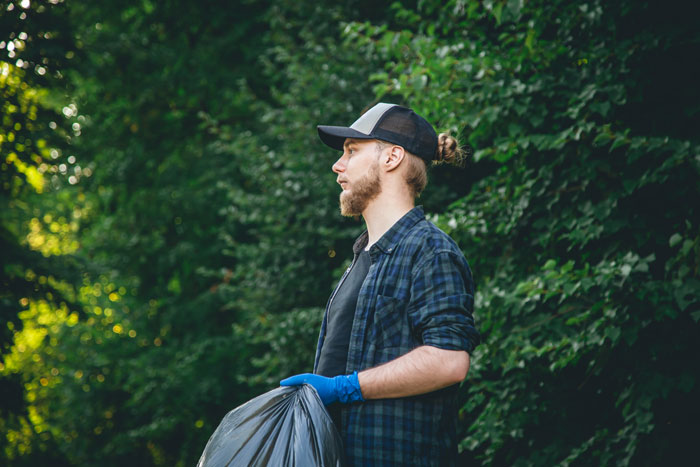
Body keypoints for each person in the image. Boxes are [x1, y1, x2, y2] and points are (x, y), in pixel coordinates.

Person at [280, 103, 480, 466]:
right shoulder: (361, 257)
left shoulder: (430, 251)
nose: (337, 166)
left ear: (392, 157)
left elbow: (450, 361)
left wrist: (344, 389)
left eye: (351, 151)